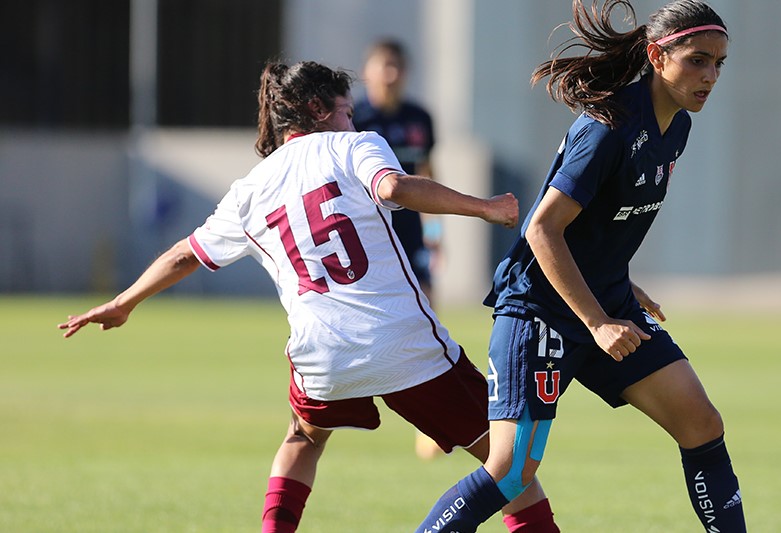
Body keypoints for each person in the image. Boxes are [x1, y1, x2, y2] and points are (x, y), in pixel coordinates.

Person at [58, 61, 559, 533]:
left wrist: (125, 301)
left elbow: (185, 254)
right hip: (405, 345)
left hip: (321, 357)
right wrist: (484, 207)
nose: (351, 118)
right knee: (508, 464)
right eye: (344, 109)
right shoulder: (353, 145)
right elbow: (392, 189)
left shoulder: (248, 189)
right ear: (320, 110)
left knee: (303, 438)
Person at [413, 1, 745, 532]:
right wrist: (598, 322)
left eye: (719, 64)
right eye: (698, 60)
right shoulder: (609, 127)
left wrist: (623, 285)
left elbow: (597, 224)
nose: (710, 76)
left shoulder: (675, 125)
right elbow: (541, 229)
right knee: (511, 471)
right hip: (540, 311)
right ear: (657, 57)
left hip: (607, 301)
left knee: (701, 424)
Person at [354, 37, 445, 461]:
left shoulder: (419, 117)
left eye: (397, 66)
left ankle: (429, 422)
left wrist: (437, 233)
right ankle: (354, 401)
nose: (390, 74)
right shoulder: (353, 118)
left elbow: (428, 172)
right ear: (367, 71)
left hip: (410, 237)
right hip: (368, 241)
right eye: (383, 65)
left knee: (427, 321)